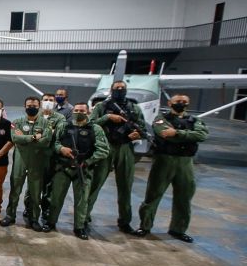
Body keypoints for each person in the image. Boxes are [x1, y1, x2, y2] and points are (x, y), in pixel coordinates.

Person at [136, 95, 209, 242]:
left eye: (184, 102)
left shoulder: (195, 120)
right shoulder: (161, 119)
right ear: (170, 103)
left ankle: (178, 229)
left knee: (184, 197)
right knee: (153, 195)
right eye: (178, 102)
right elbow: (163, 133)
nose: (181, 104)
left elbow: (202, 135)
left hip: (185, 162)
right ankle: (145, 226)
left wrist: (177, 133)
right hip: (164, 160)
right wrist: (188, 136)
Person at [87, 81, 147, 234]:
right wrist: (107, 117)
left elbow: (142, 126)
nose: (119, 91)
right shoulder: (102, 107)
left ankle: (125, 221)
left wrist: (137, 134)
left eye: (122, 89)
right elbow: (91, 124)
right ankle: (84, 216)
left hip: (126, 148)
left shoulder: (134, 108)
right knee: (96, 183)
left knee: (126, 186)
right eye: (116, 89)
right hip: (106, 146)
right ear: (111, 90)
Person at [45, 103, 109, 239]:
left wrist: (87, 162)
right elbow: (55, 143)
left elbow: (103, 150)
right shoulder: (64, 126)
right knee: (56, 197)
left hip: (84, 170)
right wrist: (61, 149)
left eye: (82, 110)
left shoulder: (95, 129)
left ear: (88, 112)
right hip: (64, 168)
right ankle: (51, 222)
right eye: (76, 110)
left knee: (82, 200)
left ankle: (79, 227)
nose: (79, 112)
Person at [1, 96, 54, 230]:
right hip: (20, 161)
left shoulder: (46, 123)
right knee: (15, 190)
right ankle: (10, 215)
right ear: (25, 106)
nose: (32, 108)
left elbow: (46, 141)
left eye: (35, 106)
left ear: (39, 106)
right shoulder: (17, 122)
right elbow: (15, 138)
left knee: (35, 193)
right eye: (29, 105)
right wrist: (33, 137)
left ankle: (34, 218)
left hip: (37, 162)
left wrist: (24, 139)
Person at [23, 93, 63, 224]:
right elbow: (29, 135)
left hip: (50, 156)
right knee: (32, 183)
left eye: (51, 100)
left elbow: (57, 135)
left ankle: (45, 209)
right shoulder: (35, 116)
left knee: (48, 184)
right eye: (45, 100)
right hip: (34, 155)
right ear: (41, 102)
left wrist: (43, 135)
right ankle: (28, 207)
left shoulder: (59, 118)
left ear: (55, 102)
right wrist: (44, 134)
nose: (48, 102)